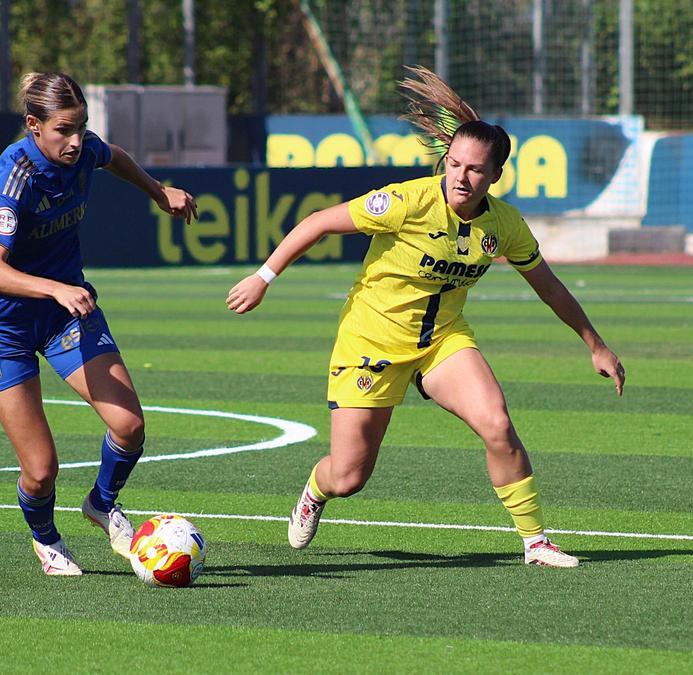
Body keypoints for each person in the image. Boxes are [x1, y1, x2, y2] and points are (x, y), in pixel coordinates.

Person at [227, 66, 625, 567]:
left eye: (475, 169)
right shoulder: (406, 201)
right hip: (370, 342)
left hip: (442, 342)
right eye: (454, 164)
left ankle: (535, 541)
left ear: (495, 176)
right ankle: (313, 491)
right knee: (348, 477)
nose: (461, 176)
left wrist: (594, 344)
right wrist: (263, 277)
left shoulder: (505, 224)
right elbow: (318, 223)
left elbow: (548, 286)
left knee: (498, 425)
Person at [0, 72, 196, 575]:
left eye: (81, 126)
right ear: (33, 125)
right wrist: (55, 287)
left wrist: (158, 191)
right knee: (41, 470)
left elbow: (111, 155)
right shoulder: (12, 178)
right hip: (0, 329)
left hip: (64, 313)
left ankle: (101, 502)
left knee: (129, 425)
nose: (76, 140)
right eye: (64, 129)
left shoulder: (84, 148)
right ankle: (46, 538)